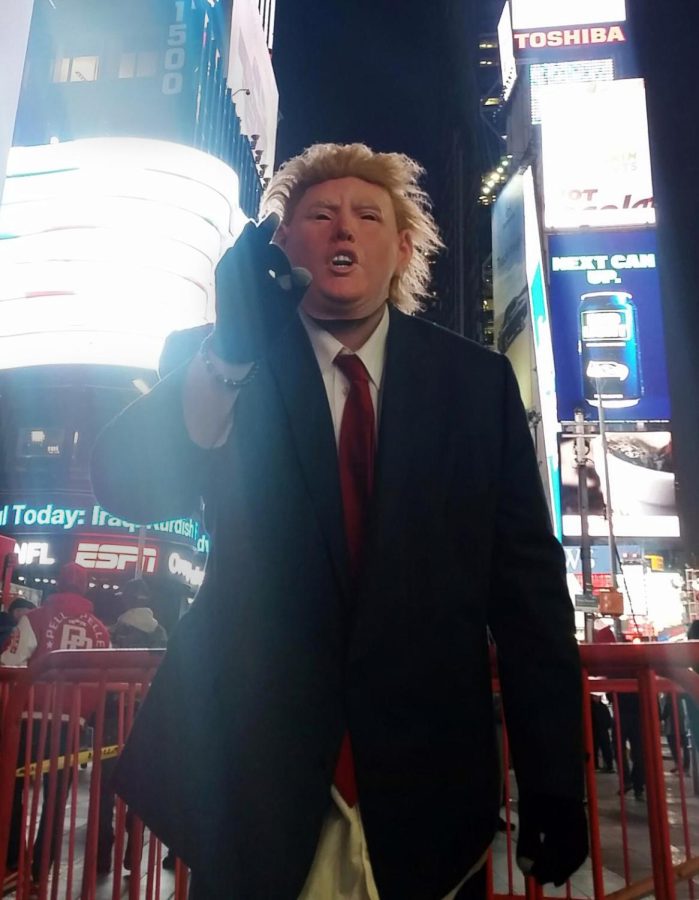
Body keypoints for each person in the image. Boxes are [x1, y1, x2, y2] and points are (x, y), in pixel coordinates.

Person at [91, 143, 588, 899]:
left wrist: (553, 776)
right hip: (252, 783)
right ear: (281, 245)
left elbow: (525, 589)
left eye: (366, 215)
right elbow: (124, 486)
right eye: (317, 216)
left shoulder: (476, 385)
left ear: (403, 249)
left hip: (427, 791)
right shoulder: (218, 360)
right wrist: (230, 352)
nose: (341, 231)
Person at [1, 563, 110, 883]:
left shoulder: (34, 619)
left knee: (12, 787)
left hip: (29, 720)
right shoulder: (100, 630)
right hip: (71, 723)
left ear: (56, 586)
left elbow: (9, 660)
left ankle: (11, 859)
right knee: (56, 796)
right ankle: (41, 866)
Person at [96, 578, 168, 875]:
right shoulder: (161, 633)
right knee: (136, 785)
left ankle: (102, 853)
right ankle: (134, 848)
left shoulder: (114, 632)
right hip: (146, 720)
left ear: (126, 601)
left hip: (113, 716)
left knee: (105, 788)